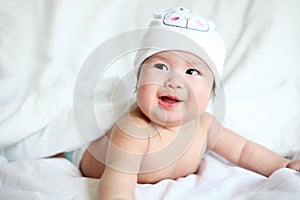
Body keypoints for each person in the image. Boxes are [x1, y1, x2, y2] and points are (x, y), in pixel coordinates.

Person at [62, 7, 300, 199]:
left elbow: (244, 151)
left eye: (192, 71)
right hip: (83, 154)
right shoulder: (135, 129)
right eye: (160, 66)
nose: (174, 81)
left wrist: (283, 165)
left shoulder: (205, 125)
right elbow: (118, 178)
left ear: (211, 90)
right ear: (138, 79)